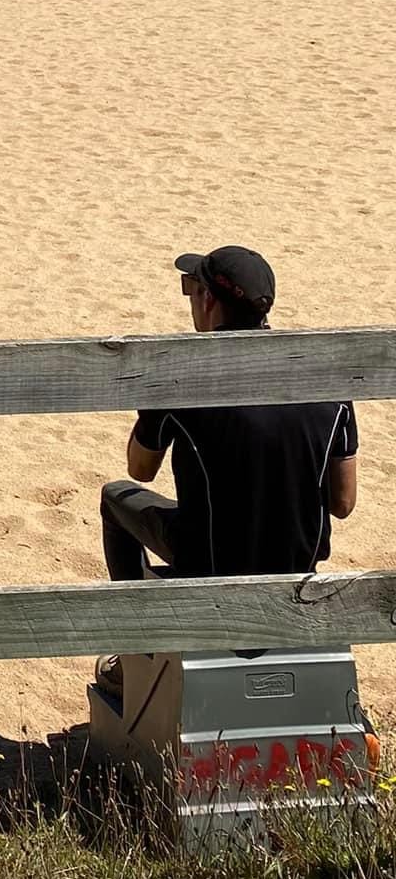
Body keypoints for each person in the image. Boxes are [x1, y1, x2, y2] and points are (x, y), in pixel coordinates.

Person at [99, 246, 358, 611]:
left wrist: (151, 406)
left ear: (207, 299)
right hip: (297, 564)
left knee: (116, 498)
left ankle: (135, 641)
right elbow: (343, 503)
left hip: (208, 560)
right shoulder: (326, 380)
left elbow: (140, 469)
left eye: (190, 288)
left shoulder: (181, 377)